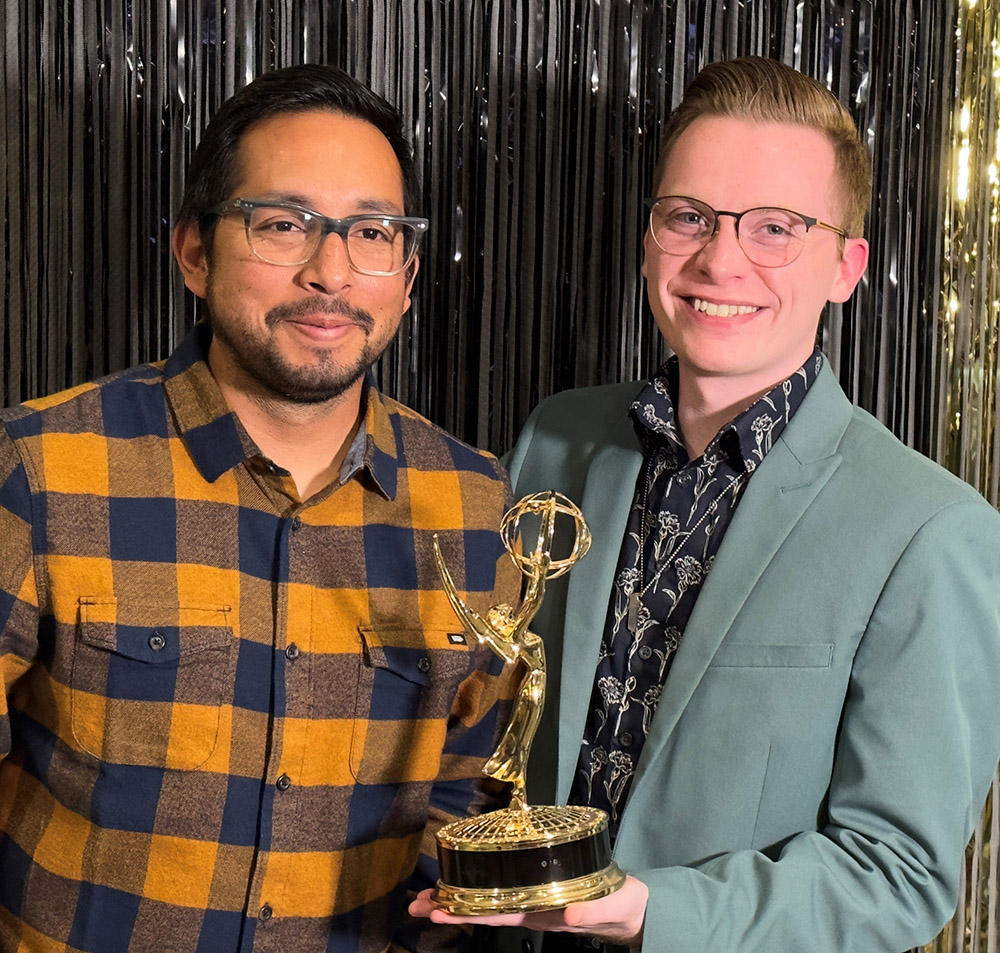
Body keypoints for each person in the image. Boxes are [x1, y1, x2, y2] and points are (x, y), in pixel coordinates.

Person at [410, 56, 1000, 953]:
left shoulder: (933, 531)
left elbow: (899, 872)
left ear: (847, 266)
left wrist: (650, 911)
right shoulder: (558, 440)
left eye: (776, 228)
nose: (721, 259)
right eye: (689, 216)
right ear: (651, 237)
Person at [0, 64, 522, 953]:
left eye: (372, 233)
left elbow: (468, 802)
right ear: (195, 252)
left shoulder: (476, 506)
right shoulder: (40, 466)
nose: (330, 273)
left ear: (407, 274)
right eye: (283, 225)